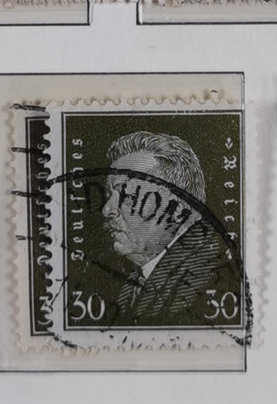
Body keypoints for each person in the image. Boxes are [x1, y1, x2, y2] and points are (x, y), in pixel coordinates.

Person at [96, 130, 243, 327]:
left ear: (177, 209)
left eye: (128, 196)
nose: (107, 210)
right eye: (109, 195)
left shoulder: (208, 278)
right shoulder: (135, 280)